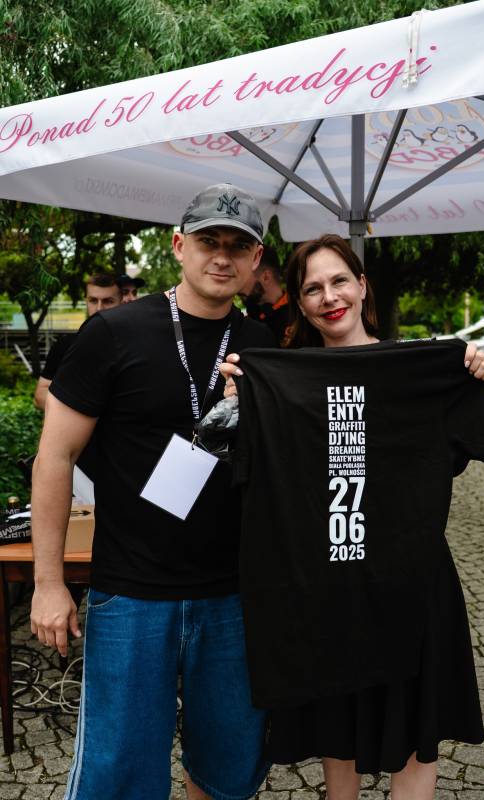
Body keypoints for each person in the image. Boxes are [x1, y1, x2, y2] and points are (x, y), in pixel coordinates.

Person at [220, 234, 484, 800]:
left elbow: (467, 441)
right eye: (313, 289)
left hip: (410, 586)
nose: (329, 297)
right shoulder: (281, 383)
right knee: (338, 737)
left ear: (362, 285)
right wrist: (238, 402)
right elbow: (230, 463)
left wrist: (472, 372)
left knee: (417, 738)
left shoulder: (419, 369)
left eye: (339, 281)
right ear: (299, 305)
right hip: (325, 592)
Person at [29, 183, 276, 800]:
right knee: (119, 777)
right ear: (178, 245)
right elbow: (55, 457)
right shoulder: (113, 333)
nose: (221, 257)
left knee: (228, 772)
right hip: (132, 594)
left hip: (234, 596)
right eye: (209, 241)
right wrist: (49, 582)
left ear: (255, 260)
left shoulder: (265, 348)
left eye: (238, 246)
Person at [34, 274, 122, 411]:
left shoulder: (133, 345)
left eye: (108, 301)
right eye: (93, 300)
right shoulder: (65, 344)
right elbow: (40, 396)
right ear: (86, 301)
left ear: (121, 302)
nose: (99, 308)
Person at [239, 245, 289, 343]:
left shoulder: (298, 318)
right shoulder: (247, 318)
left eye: (244, 274)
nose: (236, 282)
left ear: (266, 277)